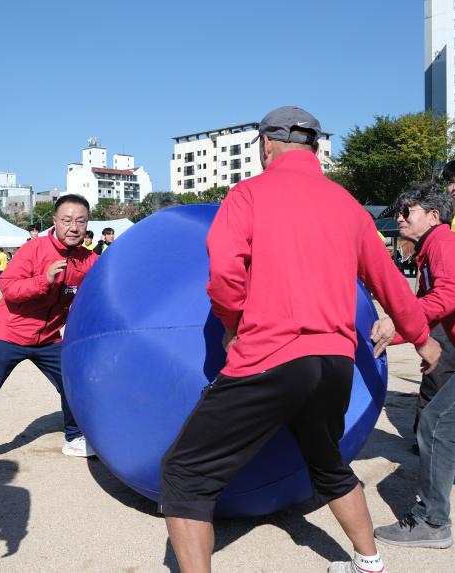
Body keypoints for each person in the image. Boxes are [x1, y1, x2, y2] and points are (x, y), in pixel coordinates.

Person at [159, 106, 440, 573]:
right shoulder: (347, 204)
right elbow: (388, 280)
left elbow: (225, 273)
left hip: (272, 355)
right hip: (333, 362)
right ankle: (369, 562)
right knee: (327, 462)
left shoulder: (248, 194)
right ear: (314, 147)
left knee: (184, 474)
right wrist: (421, 338)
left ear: (266, 144)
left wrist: (231, 324)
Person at [0, 194, 99, 479]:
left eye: (80, 221)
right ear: (55, 221)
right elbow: (10, 288)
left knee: (72, 383)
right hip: (10, 334)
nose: (73, 227)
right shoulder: (34, 250)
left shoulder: (89, 260)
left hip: (49, 338)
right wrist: (44, 280)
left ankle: (74, 438)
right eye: (67, 220)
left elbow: (111, 280)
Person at [369, 182, 455, 548]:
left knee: (436, 424)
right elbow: (425, 318)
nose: (400, 219)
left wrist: (393, 323)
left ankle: (433, 522)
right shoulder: (432, 252)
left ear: (434, 216)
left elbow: (452, 294)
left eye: (408, 212)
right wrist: (394, 335)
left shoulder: (446, 244)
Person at [409, 157, 455, 457]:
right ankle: (425, 437)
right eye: (450, 181)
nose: (454, 187)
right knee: (435, 376)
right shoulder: (441, 222)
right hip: (445, 314)